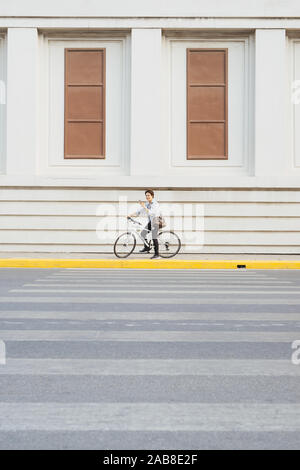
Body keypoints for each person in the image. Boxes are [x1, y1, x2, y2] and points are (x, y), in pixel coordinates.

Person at [127, 189, 161, 259]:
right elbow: (139, 212)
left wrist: (144, 207)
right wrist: (130, 215)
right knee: (143, 233)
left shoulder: (155, 204)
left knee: (154, 236)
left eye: (148, 195)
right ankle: (147, 248)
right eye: (146, 195)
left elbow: (153, 213)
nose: (147, 197)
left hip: (156, 220)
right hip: (151, 221)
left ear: (152, 196)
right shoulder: (147, 203)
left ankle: (157, 254)